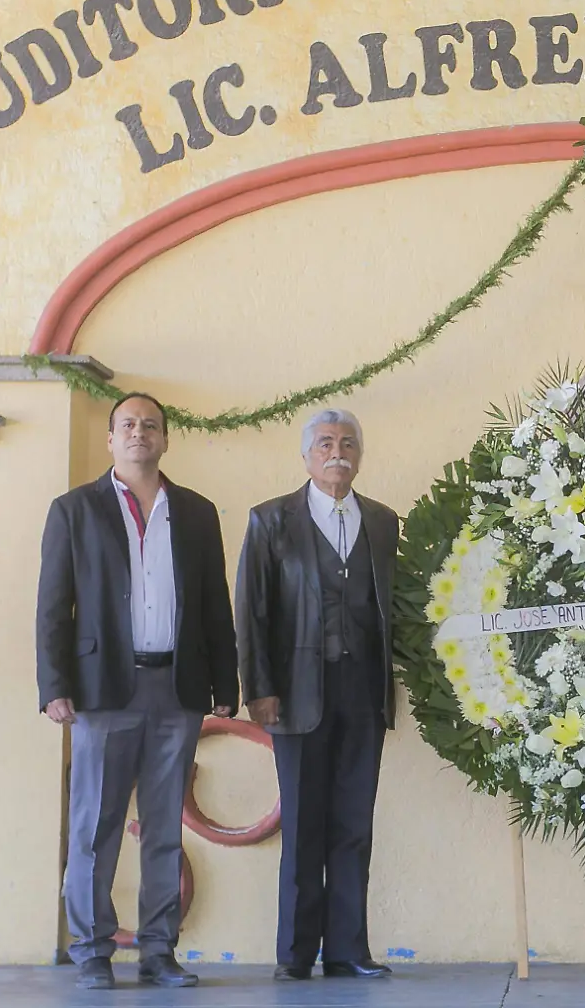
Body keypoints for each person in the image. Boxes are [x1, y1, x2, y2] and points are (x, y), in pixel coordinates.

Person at [36, 392, 238, 990]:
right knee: (94, 826)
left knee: (162, 827)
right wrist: (55, 686)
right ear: (110, 438)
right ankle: (92, 949)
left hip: (177, 688)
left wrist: (225, 684)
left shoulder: (198, 513)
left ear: (166, 439)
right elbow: (52, 608)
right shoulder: (75, 510)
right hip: (103, 692)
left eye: (151, 425)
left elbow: (214, 608)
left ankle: (158, 950)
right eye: (128, 425)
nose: (139, 433)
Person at [236, 409, 401, 981]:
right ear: (306, 456)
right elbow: (252, 614)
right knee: (304, 823)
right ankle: (296, 953)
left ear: (360, 455)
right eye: (326, 443)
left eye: (349, 443)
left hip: (363, 690)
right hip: (296, 692)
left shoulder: (382, 522)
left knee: (354, 822)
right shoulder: (270, 521)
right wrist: (258, 689)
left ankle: (350, 949)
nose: (338, 452)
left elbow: (393, 609)